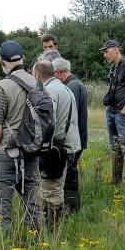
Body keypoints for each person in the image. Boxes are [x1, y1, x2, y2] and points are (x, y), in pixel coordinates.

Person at [0, 41, 40, 232]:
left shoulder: (3, 86)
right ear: (22, 59)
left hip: (5, 154)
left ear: (2, 61)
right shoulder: (38, 83)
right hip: (32, 152)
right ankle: (36, 246)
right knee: (32, 207)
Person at [33, 60, 81, 231]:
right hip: (67, 145)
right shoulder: (64, 87)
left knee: (51, 189)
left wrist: (37, 144)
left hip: (55, 148)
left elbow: (47, 121)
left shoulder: (49, 90)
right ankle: (49, 225)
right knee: (52, 187)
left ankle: (53, 229)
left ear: (37, 74)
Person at [100, 39, 125, 185]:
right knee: (115, 146)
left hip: (122, 113)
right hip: (111, 111)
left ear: (116, 49)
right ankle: (116, 181)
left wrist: (124, 112)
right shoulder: (114, 67)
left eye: (106, 51)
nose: (104, 55)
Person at [53, 57, 88, 212]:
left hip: (74, 139)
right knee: (70, 171)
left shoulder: (71, 86)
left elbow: (66, 114)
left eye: (54, 75)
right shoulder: (76, 83)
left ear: (59, 73)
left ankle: (71, 207)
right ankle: (71, 206)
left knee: (69, 173)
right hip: (78, 137)